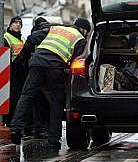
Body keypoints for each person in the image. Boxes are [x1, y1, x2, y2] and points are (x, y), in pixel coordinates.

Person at [10, 18, 91, 150]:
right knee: (57, 102)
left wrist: (22, 56)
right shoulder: (79, 39)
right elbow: (75, 62)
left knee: (27, 95)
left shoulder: (55, 29)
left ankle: (15, 129)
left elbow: (32, 38)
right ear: (84, 30)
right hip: (55, 66)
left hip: (37, 61)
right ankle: (53, 140)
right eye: (86, 33)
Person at [3, 16, 26, 127]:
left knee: (17, 98)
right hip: (10, 73)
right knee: (11, 98)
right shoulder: (6, 38)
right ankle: (8, 121)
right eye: (15, 23)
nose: (18, 25)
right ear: (10, 24)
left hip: (20, 73)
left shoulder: (22, 39)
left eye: (20, 23)